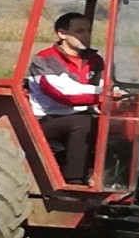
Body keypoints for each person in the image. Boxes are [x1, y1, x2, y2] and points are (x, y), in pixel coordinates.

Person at [27, 12, 105, 185]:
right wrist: (102, 95)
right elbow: (63, 94)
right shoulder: (45, 59)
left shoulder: (95, 60)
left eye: (88, 31)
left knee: (121, 125)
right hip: (48, 120)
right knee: (83, 122)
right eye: (79, 31)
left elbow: (107, 85)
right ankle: (74, 181)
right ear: (62, 34)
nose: (86, 36)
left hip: (84, 113)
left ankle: (110, 176)